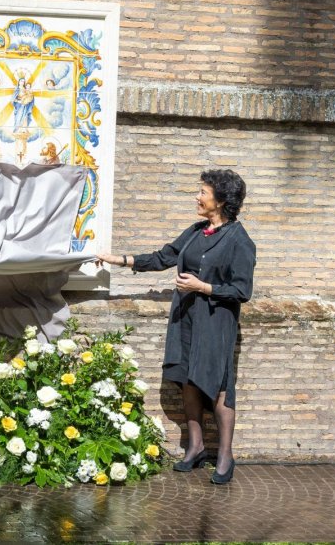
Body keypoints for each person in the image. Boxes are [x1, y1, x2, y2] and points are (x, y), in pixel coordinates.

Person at [97, 169, 255, 484]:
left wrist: (203, 286)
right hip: (186, 318)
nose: (197, 197)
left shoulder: (240, 240)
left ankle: (225, 455)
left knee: (220, 386)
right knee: (187, 379)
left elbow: (242, 291)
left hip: (215, 322)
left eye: (203, 192)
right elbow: (165, 256)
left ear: (221, 200)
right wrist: (120, 260)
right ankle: (195, 446)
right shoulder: (197, 230)